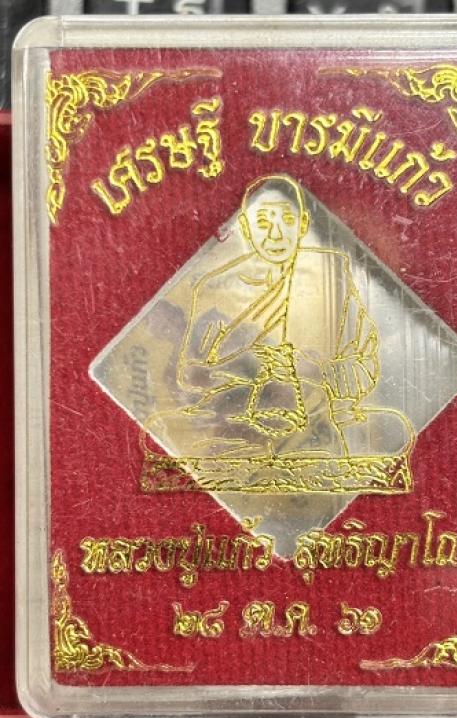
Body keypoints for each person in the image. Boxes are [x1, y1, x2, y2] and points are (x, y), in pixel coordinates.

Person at [143, 174, 414, 494]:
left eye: (286, 221)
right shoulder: (212, 290)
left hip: (316, 416)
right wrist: (233, 373)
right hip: (241, 423)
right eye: (263, 224)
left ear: (302, 226)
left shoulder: (332, 277)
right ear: (246, 231)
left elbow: (363, 357)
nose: (275, 234)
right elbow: (191, 383)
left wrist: (321, 372)